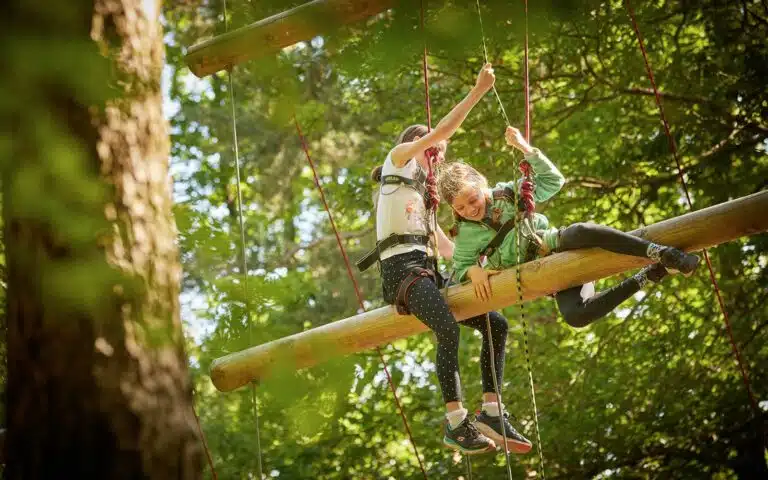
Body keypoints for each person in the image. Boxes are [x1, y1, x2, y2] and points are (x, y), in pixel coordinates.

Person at [356, 64, 532, 455]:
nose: (437, 156)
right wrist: (478, 91)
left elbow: (452, 252)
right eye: (432, 151)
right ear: (415, 145)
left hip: (429, 275)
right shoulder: (397, 160)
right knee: (447, 329)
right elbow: (439, 134)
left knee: (495, 324)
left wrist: (486, 265)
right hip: (403, 275)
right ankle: (455, 421)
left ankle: (491, 410)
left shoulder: (425, 204)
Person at [437, 126, 700, 329]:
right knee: (575, 316)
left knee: (579, 232)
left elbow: (554, 181)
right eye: (460, 208)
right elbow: (459, 267)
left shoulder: (508, 194)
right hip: (542, 273)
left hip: (549, 244)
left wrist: (526, 148)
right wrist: (473, 272)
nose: (470, 210)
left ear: (482, 185)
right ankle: (647, 276)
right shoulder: (466, 235)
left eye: (472, 200)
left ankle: (658, 252)